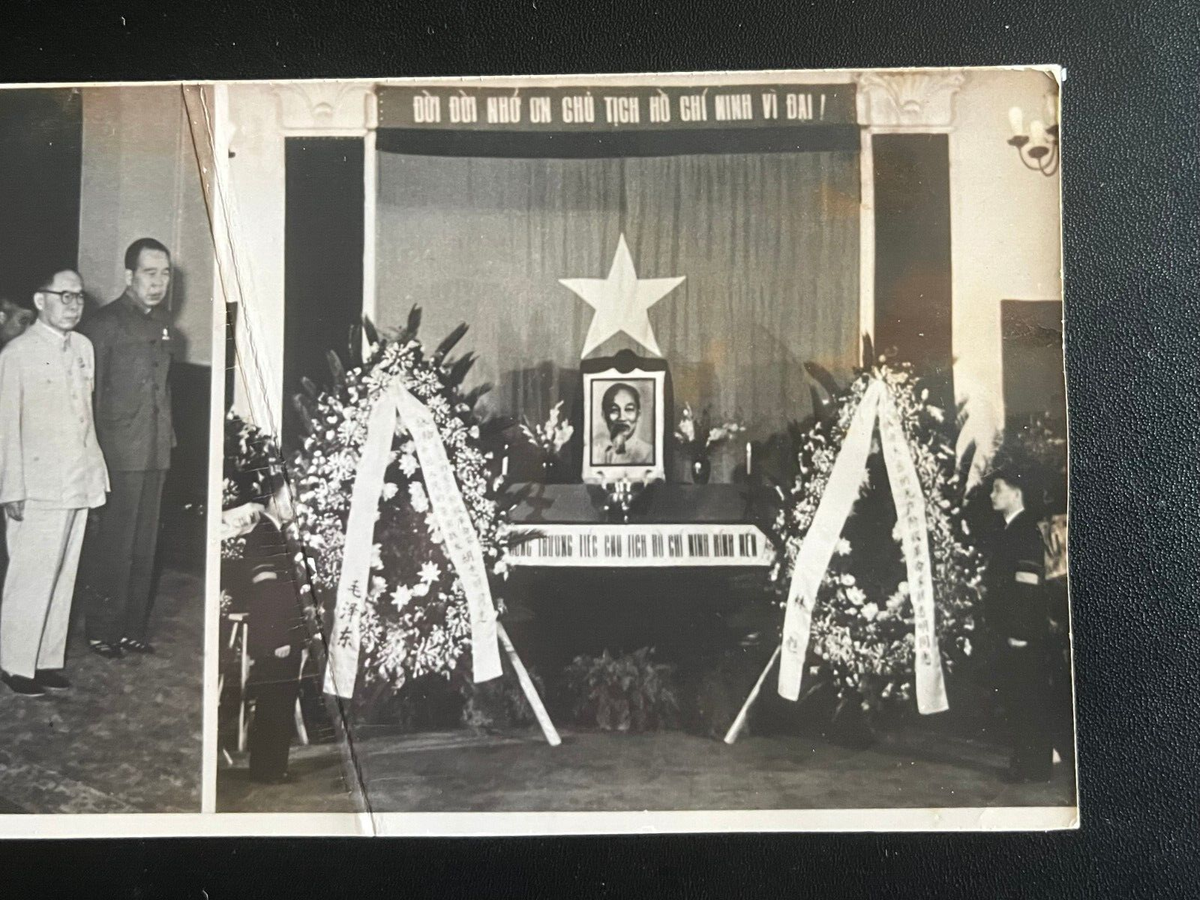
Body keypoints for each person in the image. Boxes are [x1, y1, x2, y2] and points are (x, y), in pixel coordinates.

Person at [0, 268, 109, 697]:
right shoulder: (17, 354)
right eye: (63, 296)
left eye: (79, 296)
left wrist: (95, 475)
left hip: (77, 478)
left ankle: (44, 660)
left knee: (63, 574)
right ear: (40, 300)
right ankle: (13, 663)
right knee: (30, 576)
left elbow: (85, 418)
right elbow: (6, 428)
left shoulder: (83, 347)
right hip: (37, 485)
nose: (73, 304)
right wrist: (11, 489)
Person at [81, 238, 176, 658]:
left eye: (165, 273)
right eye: (149, 273)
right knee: (114, 546)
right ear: (129, 276)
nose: (158, 282)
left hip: (155, 450)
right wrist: (94, 454)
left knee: (145, 545)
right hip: (118, 452)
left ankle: (132, 627)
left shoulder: (163, 325)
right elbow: (91, 396)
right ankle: (103, 629)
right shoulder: (103, 325)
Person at [222, 460, 306, 784]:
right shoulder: (265, 535)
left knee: (280, 701)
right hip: (276, 637)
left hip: (280, 634)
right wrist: (282, 637)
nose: (293, 507)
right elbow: (268, 593)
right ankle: (267, 770)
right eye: (289, 499)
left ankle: (273, 767)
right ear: (273, 498)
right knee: (274, 702)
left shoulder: (273, 534)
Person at [985, 469, 1053, 783]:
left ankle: (1028, 766)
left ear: (1016, 494)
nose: (992, 495)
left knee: (1026, 698)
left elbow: (1027, 585)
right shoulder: (1011, 529)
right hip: (1014, 628)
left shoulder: (1022, 530)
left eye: (998, 489)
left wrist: (1019, 631)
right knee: (1022, 696)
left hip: (1022, 631)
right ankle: (1030, 763)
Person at [599, 382, 653, 465]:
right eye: (614, 410)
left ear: (638, 415)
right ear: (604, 415)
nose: (622, 418)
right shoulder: (594, 453)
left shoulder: (649, 454)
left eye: (629, 409)